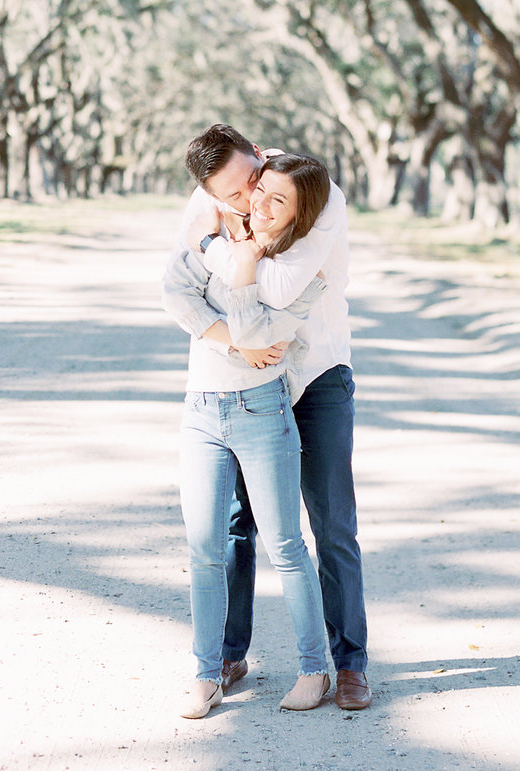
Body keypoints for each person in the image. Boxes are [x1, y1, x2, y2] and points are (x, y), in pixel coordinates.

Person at [164, 124, 371, 712]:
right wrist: (233, 339)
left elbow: (279, 286)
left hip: (316, 376)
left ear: (259, 155)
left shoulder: (312, 189)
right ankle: (229, 655)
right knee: (236, 526)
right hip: (250, 385)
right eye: (230, 197)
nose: (248, 201)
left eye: (251, 183)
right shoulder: (208, 203)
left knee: (330, 526)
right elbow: (182, 292)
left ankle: (349, 662)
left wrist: (219, 247)